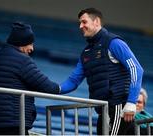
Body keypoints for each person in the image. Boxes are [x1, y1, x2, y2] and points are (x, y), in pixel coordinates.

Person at [60, 7, 144, 135]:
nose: (80, 26)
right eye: (79, 23)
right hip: (103, 110)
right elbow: (73, 81)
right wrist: (53, 89)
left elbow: (136, 69)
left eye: (84, 22)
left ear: (97, 21)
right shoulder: (86, 52)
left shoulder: (114, 43)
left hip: (118, 108)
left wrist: (131, 102)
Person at [0, 21, 60, 135]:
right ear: (22, 43)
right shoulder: (22, 60)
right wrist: (64, 87)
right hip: (13, 125)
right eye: (30, 43)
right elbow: (48, 87)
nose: (32, 48)